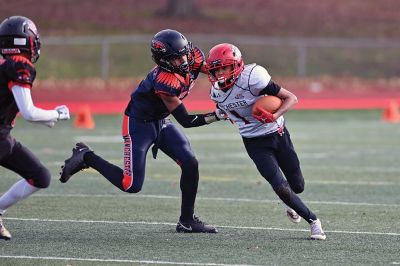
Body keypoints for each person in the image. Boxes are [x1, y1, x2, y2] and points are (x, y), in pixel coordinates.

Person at [60, 29, 225, 233]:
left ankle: (186, 220)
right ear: (163, 61)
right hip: (139, 124)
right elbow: (187, 120)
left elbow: (216, 73)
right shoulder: (165, 81)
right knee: (131, 185)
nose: (184, 61)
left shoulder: (193, 56)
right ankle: (87, 157)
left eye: (185, 54)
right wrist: (219, 114)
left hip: (161, 119)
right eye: (176, 58)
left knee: (190, 163)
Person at [205, 43, 326, 240]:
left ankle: (291, 202)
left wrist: (275, 114)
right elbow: (226, 113)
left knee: (298, 186)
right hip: (254, 142)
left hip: (278, 133)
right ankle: (314, 222)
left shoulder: (253, 77)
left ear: (236, 65)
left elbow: (291, 98)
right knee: (279, 186)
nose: (219, 73)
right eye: (216, 69)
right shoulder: (216, 93)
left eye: (224, 67)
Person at [0, 16, 70, 240]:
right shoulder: (19, 65)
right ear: (23, 41)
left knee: (39, 176)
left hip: (3, 138)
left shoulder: (6, 65)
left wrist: (46, 118)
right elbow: (29, 111)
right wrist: (57, 114)